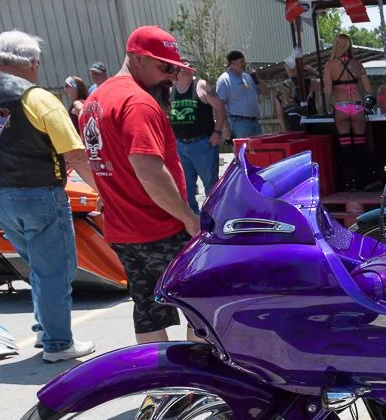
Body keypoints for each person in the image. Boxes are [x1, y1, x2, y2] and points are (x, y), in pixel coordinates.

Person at [0, 30, 96, 361]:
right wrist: (102, 191)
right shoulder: (38, 99)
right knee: (55, 271)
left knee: (37, 266)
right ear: (33, 63)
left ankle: (45, 329)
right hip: (40, 194)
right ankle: (58, 344)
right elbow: (75, 154)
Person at [80, 25, 198, 345]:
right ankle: (199, 374)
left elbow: (94, 159)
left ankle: (157, 375)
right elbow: (148, 169)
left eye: (174, 69)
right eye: (165, 68)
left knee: (147, 309)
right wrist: (188, 217)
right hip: (158, 227)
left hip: (123, 230)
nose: (171, 77)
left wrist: (108, 193)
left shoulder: (94, 101)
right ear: (137, 58)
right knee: (200, 304)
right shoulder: (138, 103)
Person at [169, 66, 229, 213]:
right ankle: (193, 219)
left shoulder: (201, 85)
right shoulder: (171, 90)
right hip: (180, 145)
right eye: (183, 69)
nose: (188, 71)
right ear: (176, 73)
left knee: (211, 186)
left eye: (190, 68)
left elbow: (220, 107)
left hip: (202, 143)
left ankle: (214, 216)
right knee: (185, 186)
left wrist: (217, 132)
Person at [322, 34, 372, 190]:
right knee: (360, 145)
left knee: (345, 147)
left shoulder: (330, 65)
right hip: (357, 106)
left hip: (341, 107)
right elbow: (368, 89)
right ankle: (364, 181)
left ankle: (349, 183)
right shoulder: (357, 64)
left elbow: (328, 91)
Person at [217, 49, 268, 139]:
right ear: (233, 63)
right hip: (239, 124)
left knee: (258, 148)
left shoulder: (248, 77)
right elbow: (219, 106)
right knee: (243, 148)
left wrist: (255, 77)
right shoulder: (224, 80)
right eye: (242, 62)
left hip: (255, 122)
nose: (245, 64)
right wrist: (226, 128)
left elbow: (265, 92)